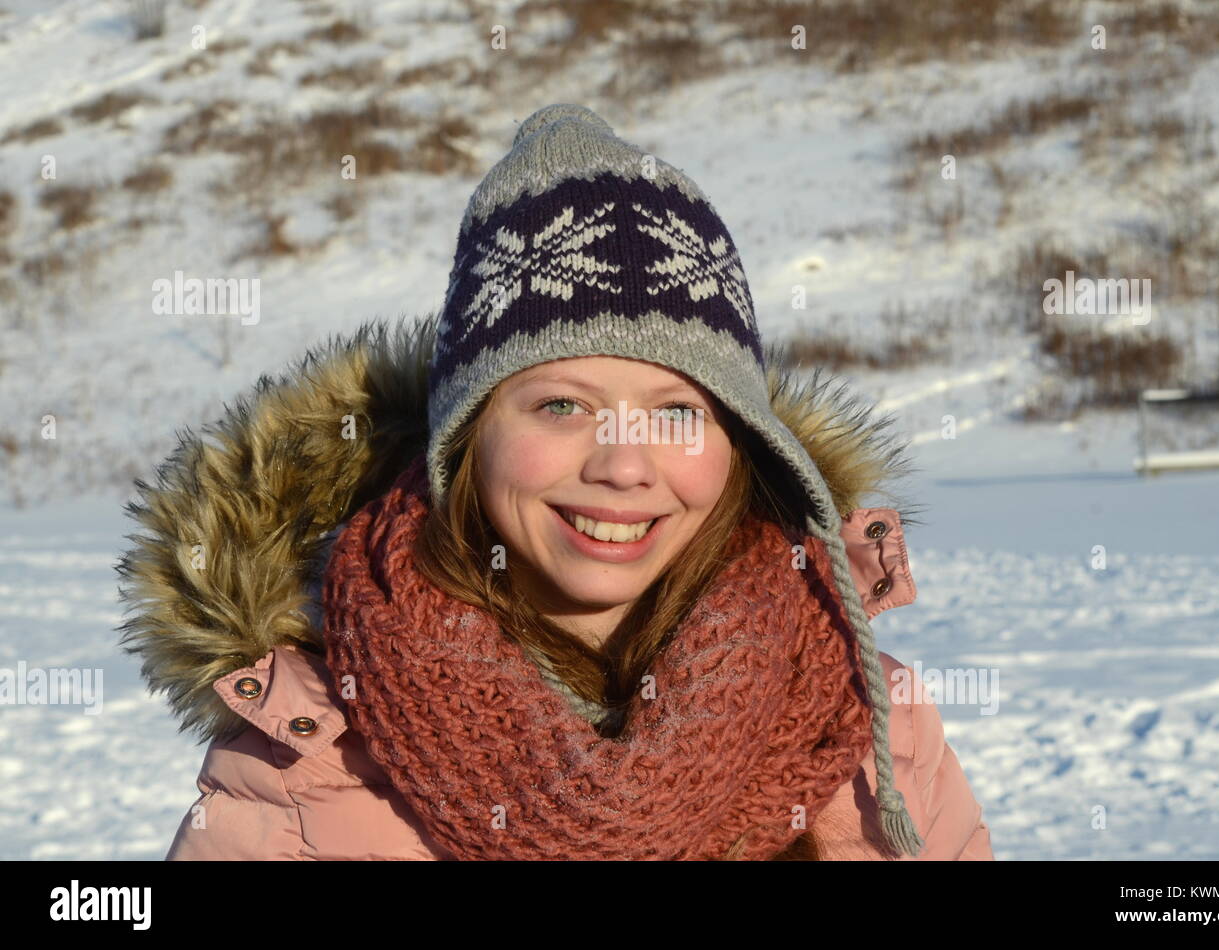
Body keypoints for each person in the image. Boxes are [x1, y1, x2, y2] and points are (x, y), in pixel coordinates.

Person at [118, 104, 993, 861]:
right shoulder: (303, 763)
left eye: (677, 411)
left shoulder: (867, 719)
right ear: (464, 441)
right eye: (563, 405)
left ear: (743, 446)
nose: (622, 463)